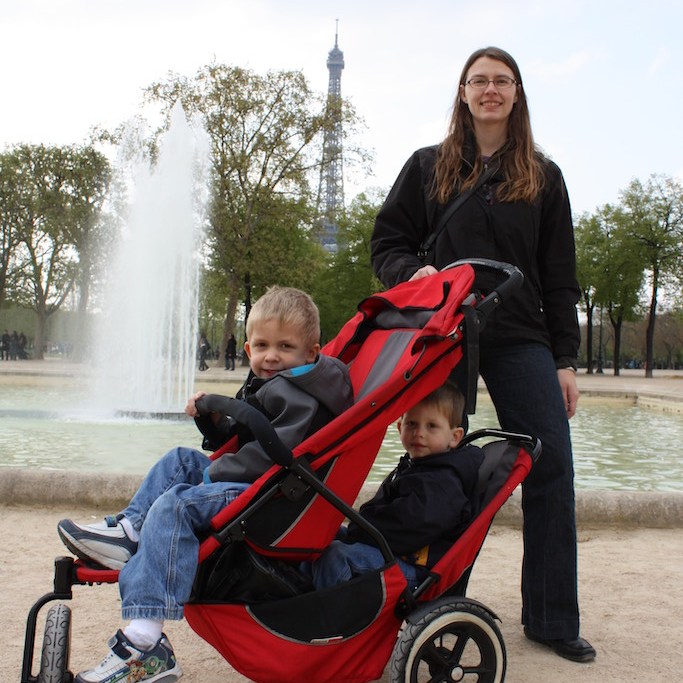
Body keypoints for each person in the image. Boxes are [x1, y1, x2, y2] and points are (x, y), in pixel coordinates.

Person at [369, 47, 595, 663]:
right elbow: (386, 243)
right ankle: (434, 605)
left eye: (502, 81)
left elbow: (559, 277)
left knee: (551, 466)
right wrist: (419, 274)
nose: (490, 90)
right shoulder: (427, 167)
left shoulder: (544, 178)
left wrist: (565, 360)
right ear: (463, 93)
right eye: (479, 81)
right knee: (443, 469)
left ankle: (551, 616)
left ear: (516, 94)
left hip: (522, 335)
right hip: (447, 333)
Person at [57, 286, 354, 683]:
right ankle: (129, 530)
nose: (271, 356)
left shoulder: (301, 393)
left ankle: (145, 640)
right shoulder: (269, 381)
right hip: (251, 479)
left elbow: (279, 450)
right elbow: (237, 436)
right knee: (179, 459)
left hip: (270, 491)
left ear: (311, 353)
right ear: (247, 348)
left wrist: (217, 470)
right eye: (262, 345)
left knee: (177, 504)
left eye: (285, 346)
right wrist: (210, 421)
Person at [309, 382, 483, 590]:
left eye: (431, 426)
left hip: (413, 568)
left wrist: (362, 529)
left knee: (337, 556)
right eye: (412, 424)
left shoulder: (442, 482)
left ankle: (322, 614)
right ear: (400, 427)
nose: (419, 433)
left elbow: (409, 527)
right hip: (393, 550)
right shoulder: (419, 467)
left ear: (455, 437)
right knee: (323, 534)